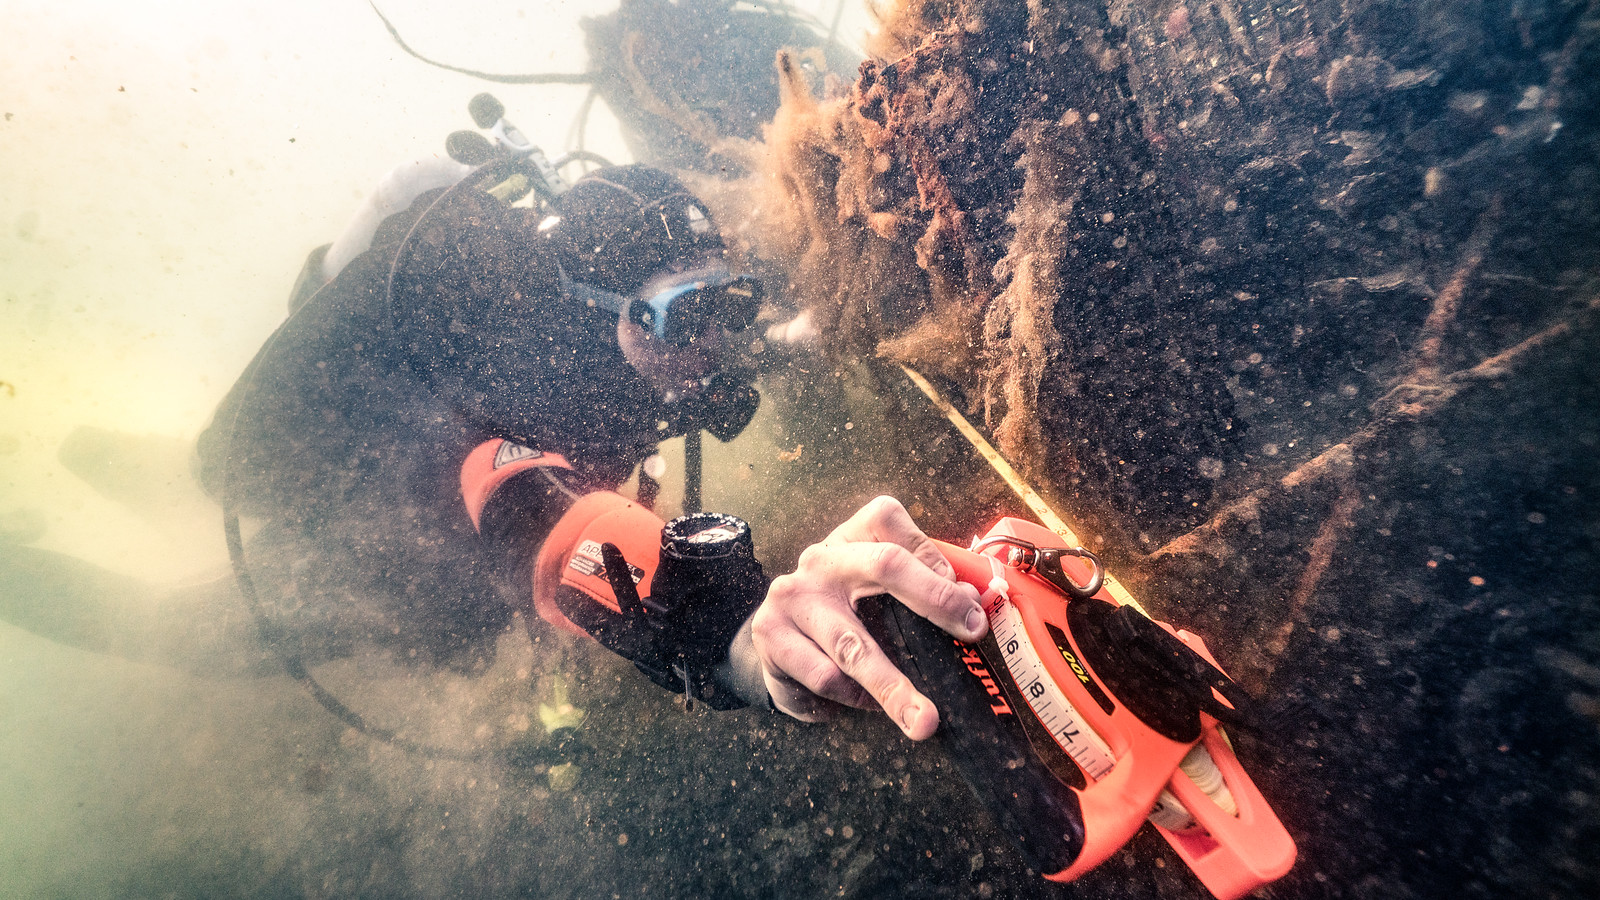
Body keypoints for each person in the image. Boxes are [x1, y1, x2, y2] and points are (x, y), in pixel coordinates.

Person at [196, 162, 986, 740]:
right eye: (686, 316)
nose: (714, 343)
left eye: (727, 305)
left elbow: (773, 331)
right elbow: (552, 522)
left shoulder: (656, 354)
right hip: (385, 529)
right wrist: (742, 632)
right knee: (257, 638)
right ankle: (117, 616)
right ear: (603, 312)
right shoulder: (525, 376)